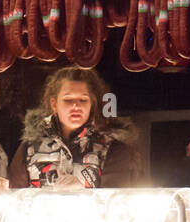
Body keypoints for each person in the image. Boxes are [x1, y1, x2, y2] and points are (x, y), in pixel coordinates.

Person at [9, 67, 137, 189]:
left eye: (83, 100)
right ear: (54, 104)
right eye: (68, 100)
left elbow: (115, 201)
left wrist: (83, 194)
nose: (76, 106)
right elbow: (14, 193)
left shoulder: (112, 148)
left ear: (92, 104)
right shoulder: (31, 145)